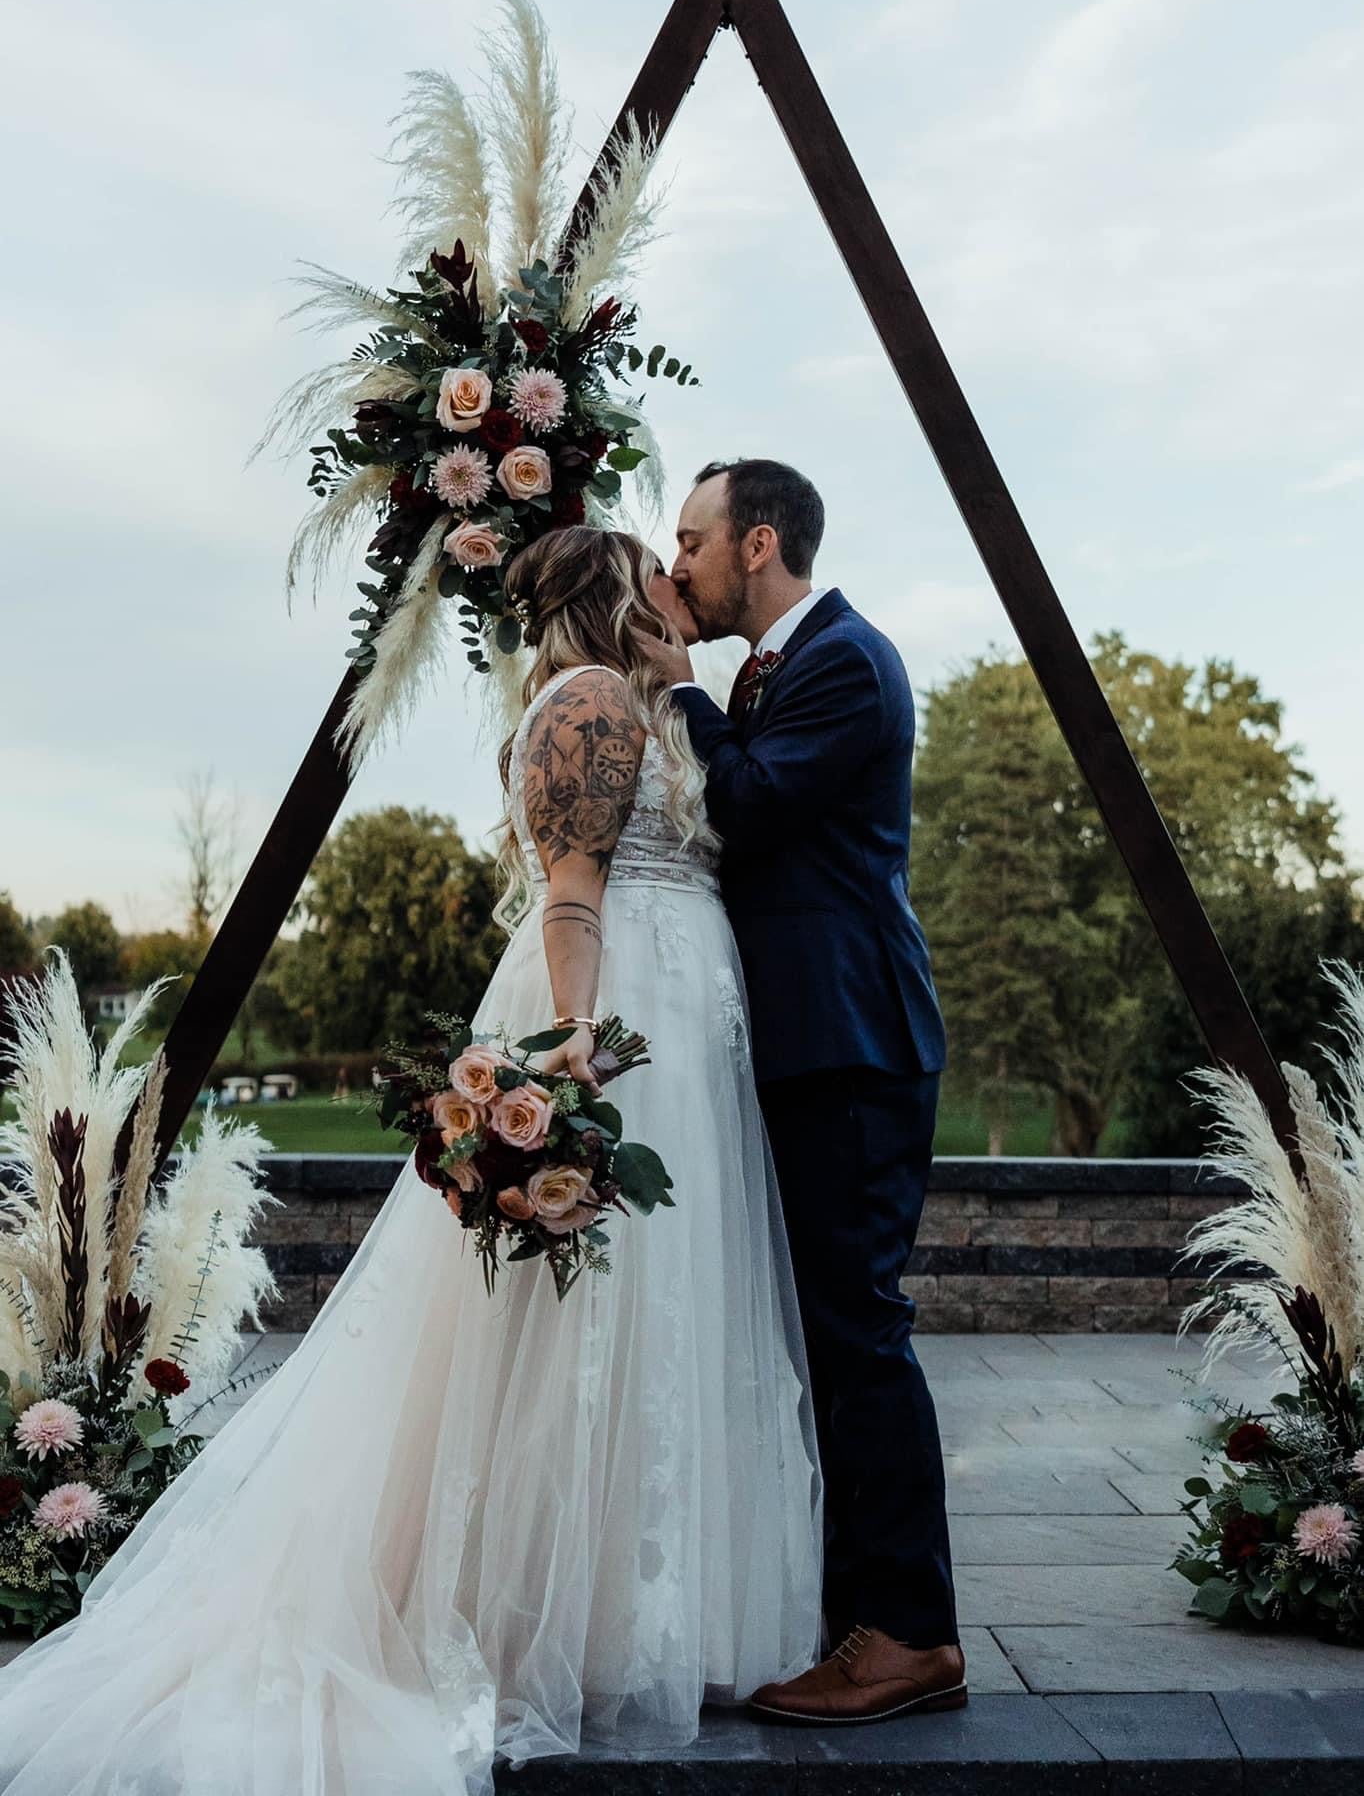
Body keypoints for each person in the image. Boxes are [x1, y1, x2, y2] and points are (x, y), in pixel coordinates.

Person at [0, 528, 822, 1796]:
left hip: (684, 1037)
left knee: (654, 1317)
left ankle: (633, 1607)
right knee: (581, 1322)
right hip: (613, 1020)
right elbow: (569, 890)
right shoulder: (590, 700)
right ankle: (529, 1613)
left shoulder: (644, 703)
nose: (675, 585)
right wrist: (574, 1047)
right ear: (609, 596)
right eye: (654, 573)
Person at [641, 457, 965, 1726]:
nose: (676, 569)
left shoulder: (843, 657)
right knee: (825, 1333)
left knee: (857, 1332)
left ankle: (909, 1634)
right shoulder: (780, 665)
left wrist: (678, 689)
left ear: (757, 542)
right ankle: (852, 1609)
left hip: (852, 1042)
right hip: (809, 1041)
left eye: (691, 541)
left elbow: (748, 803)